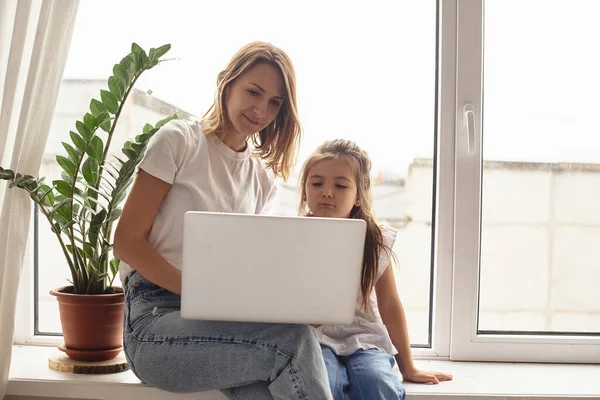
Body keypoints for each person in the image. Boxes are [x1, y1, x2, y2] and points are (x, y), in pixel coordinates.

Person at [114, 42, 333, 400]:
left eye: (275, 102)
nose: (261, 109)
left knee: (277, 373)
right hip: (153, 321)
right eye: (254, 91)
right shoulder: (179, 142)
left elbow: (248, 268)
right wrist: (200, 291)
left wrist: (297, 304)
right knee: (294, 342)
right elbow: (125, 242)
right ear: (226, 83)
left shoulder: (262, 178)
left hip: (219, 317)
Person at [298, 139, 453, 400]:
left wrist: (408, 367)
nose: (327, 192)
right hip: (314, 338)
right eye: (316, 183)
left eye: (340, 185)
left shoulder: (373, 240)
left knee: (377, 382)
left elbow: (390, 304)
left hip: (363, 337)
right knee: (323, 384)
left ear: (358, 195)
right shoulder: (292, 236)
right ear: (304, 191)